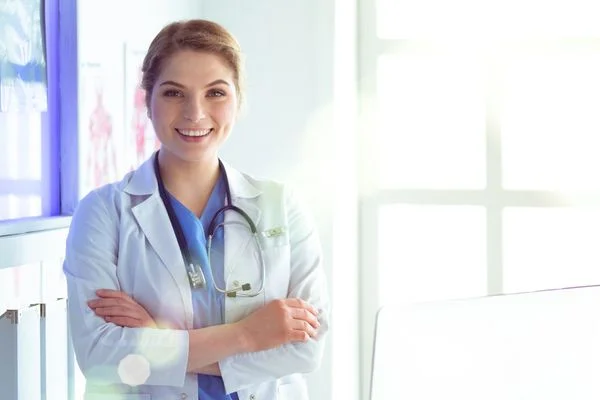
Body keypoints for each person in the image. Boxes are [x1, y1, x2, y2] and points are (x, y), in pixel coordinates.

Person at [63, 19, 329, 400]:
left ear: (239, 100)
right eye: (173, 93)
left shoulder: (281, 206)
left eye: (215, 93)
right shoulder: (104, 213)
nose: (195, 113)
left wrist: (162, 340)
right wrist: (248, 335)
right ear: (147, 101)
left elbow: (306, 348)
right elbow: (100, 355)